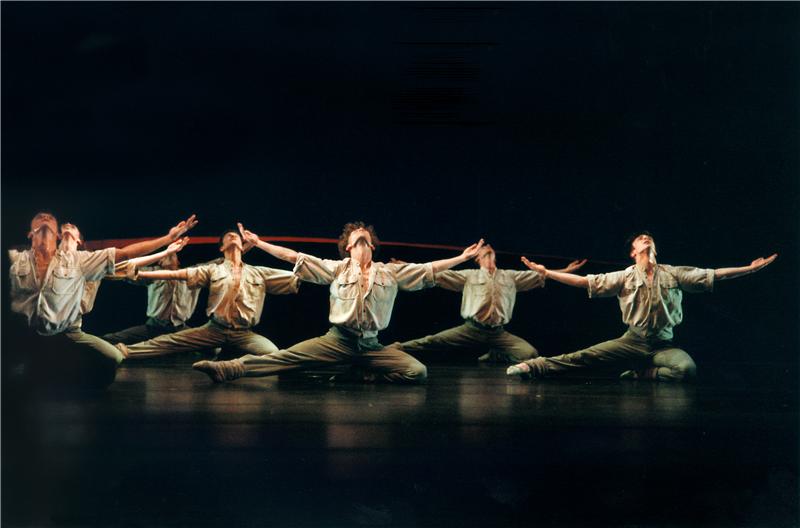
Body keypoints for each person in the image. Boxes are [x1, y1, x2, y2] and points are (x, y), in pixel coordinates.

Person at [192, 221, 485, 384]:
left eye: (366, 237)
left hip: (371, 346)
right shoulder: (337, 268)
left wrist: (461, 258)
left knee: (417, 372)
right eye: (356, 237)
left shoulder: (390, 272)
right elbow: (295, 257)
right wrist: (260, 243)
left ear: (372, 245)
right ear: (348, 246)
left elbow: (428, 269)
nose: (361, 238)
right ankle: (229, 369)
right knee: (286, 359)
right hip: (337, 340)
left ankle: (359, 373)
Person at [506, 232, 777, 382]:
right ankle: (534, 366)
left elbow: (713, 274)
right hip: (632, 341)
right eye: (640, 238)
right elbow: (585, 281)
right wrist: (548, 273)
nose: (646, 237)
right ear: (633, 252)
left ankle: (644, 373)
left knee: (686, 369)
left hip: (663, 345)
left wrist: (749, 269)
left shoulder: (673, 273)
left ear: (654, 248)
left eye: (649, 237)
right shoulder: (625, 276)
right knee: (584, 356)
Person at [8, 212, 198, 388]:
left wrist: (166, 243)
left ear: (77, 239)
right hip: (30, 330)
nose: (68, 226)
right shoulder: (18, 259)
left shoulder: (85, 261)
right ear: (30, 234)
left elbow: (127, 259)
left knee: (113, 357)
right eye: (65, 227)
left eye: (72, 228)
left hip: (69, 329)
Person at [115, 229, 300, 360]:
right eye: (228, 236)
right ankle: (121, 351)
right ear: (221, 247)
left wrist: (258, 243)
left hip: (244, 333)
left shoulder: (259, 272)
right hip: (213, 329)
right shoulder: (212, 270)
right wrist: (140, 273)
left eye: (235, 236)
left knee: (275, 355)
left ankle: (231, 367)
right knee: (166, 342)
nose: (232, 236)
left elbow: (299, 273)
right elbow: (176, 274)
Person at [398, 243, 586, 364]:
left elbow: (542, 275)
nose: (487, 249)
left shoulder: (510, 277)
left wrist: (566, 270)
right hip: (471, 329)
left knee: (530, 354)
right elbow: (437, 274)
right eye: (483, 251)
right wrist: (407, 266)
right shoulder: (469, 276)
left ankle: (497, 354)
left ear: (494, 255)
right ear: (477, 258)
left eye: (490, 250)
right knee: (431, 341)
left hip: (498, 333)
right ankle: (395, 349)